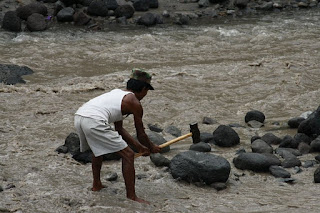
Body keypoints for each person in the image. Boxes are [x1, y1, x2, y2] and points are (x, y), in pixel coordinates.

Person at [74, 68, 161, 204]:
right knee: (128, 155)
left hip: (80, 116)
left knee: (98, 151)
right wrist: (151, 147)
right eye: (147, 90)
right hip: (94, 120)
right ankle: (131, 196)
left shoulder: (118, 94)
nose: (146, 94)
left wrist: (140, 147)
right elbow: (141, 133)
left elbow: (119, 129)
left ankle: (96, 185)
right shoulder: (135, 103)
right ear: (143, 88)